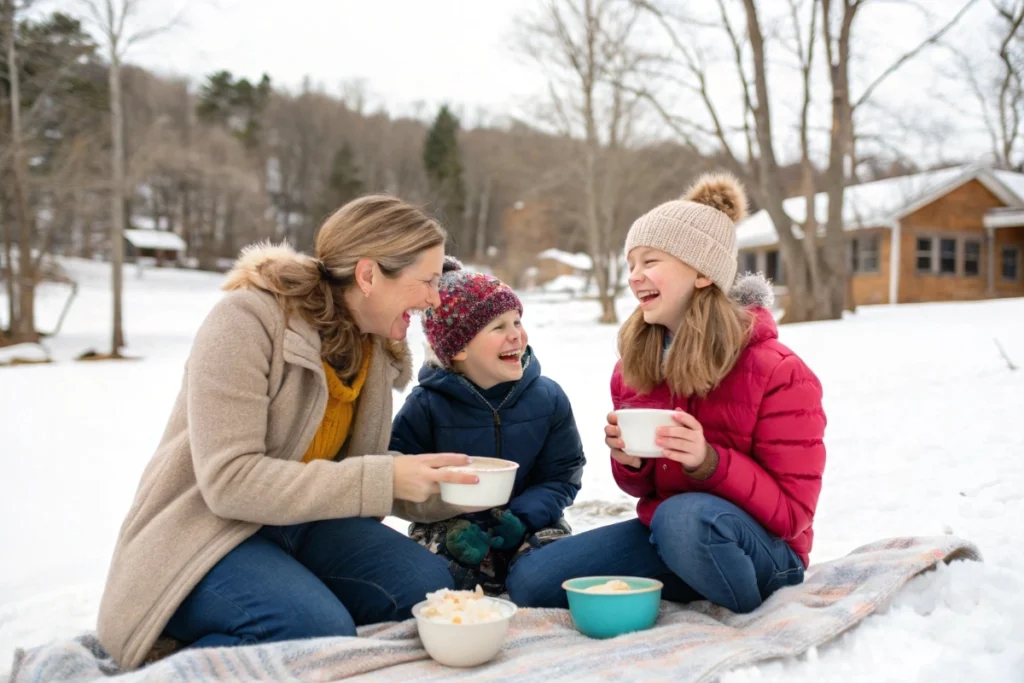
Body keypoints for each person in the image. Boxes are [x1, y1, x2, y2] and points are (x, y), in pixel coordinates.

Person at [97, 195, 483, 671]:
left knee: (428, 591)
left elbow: (350, 475)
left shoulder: (374, 346)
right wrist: (383, 480)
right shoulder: (245, 322)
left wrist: (446, 485)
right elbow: (230, 482)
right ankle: (175, 649)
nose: (435, 299)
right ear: (368, 276)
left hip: (305, 526)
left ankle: (278, 612)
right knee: (313, 632)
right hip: (209, 535)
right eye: (425, 281)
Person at [506, 173, 827, 614]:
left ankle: (744, 612)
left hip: (766, 555)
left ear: (701, 273)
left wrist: (708, 463)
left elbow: (793, 517)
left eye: (650, 261)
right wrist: (629, 462)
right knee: (530, 580)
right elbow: (644, 490)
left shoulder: (779, 372)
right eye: (631, 264)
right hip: (672, 536)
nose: (635, 277)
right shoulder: (635, 366)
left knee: (683, 518)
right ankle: (692, 577)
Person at [390, 257, 585, 596]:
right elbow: (398, 482)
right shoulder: (425, 406)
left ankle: (529, 577)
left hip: (528, 522)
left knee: (553, 576)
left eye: (517, 321)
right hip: (451, 527)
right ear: (459, 348)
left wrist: (523, 518)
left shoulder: (548, 398)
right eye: (498, 327)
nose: (516, 336)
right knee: (438, 584)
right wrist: (450, 519)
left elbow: (562, 474)